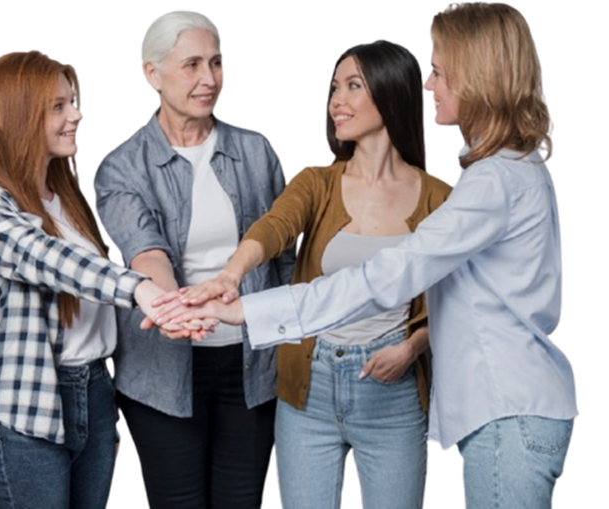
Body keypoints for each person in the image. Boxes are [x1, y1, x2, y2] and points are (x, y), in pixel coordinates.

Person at [156, 3, 579, 508]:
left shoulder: (490, 183)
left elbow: (388, 276)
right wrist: (235, 278)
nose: (430, 85)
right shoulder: (502, 171)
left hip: (505, 413)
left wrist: (248, 309)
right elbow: (278, 227)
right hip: (500, 409)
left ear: (477, 77)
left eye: (440, 71)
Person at [156, 39, 452, 508]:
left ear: (392, 92)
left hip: (392, 395)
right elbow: (275, 227)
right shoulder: (316, 181)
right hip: (308, 386)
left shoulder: (441, 198)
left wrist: (412, 347)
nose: (337, 100)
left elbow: (455, 300)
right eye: (334, 87)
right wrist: (232, 274)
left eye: (353, 85)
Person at [0, 49, 180, 508]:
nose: (76, 115)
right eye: (57, 106)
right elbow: (50, 260)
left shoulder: (66, 198)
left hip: (94, 396)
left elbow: (92, 317)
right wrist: (141, 289)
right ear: (14, 117)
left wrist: (106, 420)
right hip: (28, 409)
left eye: (74, 102)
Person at [91, 10, 294, 509]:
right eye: (192, 65)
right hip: (161, 369)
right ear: (151, 73)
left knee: (242, 499)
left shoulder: (256, 151)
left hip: (251, 362)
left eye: (217, 63)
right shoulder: (120, 166)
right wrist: (172, 309)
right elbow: (146, 252)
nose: (209, 79)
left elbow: (283, 256)